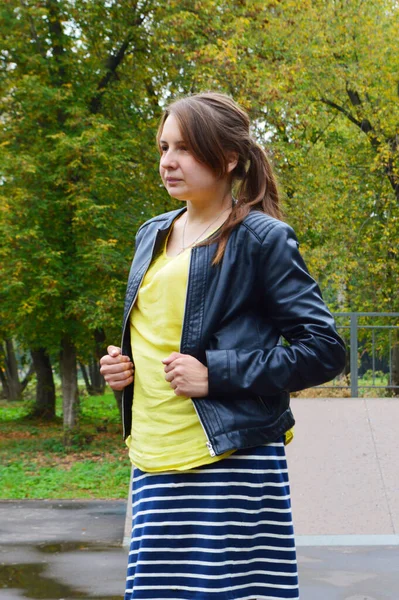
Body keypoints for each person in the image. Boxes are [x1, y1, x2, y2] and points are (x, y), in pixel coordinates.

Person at [100, 91, 346, 600]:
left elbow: (325, 348)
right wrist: (124, 369)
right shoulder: (152, 234)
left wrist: (216, 373)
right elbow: (160, 332)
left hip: (229, 454)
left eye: (185, 149)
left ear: (228, 158)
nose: (168, 162)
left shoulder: (261, 238)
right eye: (164, 147)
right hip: (152, 453)